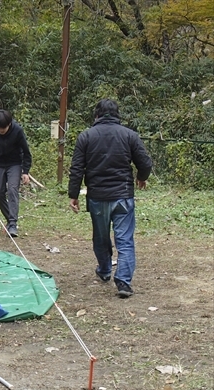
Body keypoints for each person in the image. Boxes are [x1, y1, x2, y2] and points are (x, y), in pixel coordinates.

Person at [68, 98, 152, 298]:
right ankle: (123, 281)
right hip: (122, 195)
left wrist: (73, 194)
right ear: (117, 115)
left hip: (97, 196)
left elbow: (77, 168)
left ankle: (105, 270)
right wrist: (141, 177)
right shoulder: (129, 135)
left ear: (96, 115)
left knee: (101, 236)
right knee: (125, 240)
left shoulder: (85, 136)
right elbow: (145, 163)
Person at [0, 109, 32, 237]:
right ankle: (9, 219)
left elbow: (26, 152)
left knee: (12, 190)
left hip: (15, 163)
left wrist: (25, 171)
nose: (1, 131)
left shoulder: (17, 131)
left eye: (4, 128)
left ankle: (12, 224)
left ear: (9, 124)